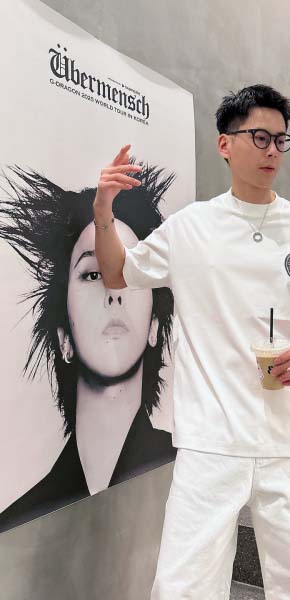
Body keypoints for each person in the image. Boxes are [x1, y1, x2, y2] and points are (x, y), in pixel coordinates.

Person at [94, 84, 290, 600]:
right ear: (225, 144)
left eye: (281, 140)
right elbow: (117, 273)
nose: (272, 151)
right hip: (211, 435)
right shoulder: (191, 227)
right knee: (184, 586)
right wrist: (104, 208)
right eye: (260, 137)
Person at [0, 164, 177, 533]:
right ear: (63, 336)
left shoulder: (186, 472)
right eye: (94, 274)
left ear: (154, 327)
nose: (114, 291)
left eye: (130, 272)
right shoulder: (20, 522)